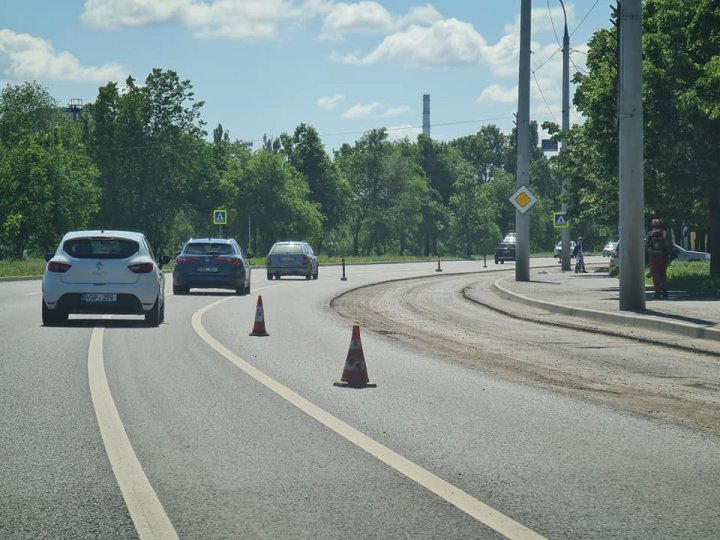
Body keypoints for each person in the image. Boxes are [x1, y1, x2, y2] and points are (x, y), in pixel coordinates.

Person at [646, 218, 673, 298]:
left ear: (652, 226)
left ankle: (657, 292)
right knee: (663, 274)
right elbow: (670, 245)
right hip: (663, 256)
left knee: (655, 275)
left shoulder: (650, 234)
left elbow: (647, 246)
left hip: (653, 257)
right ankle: (665, 291)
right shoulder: (665, 233)